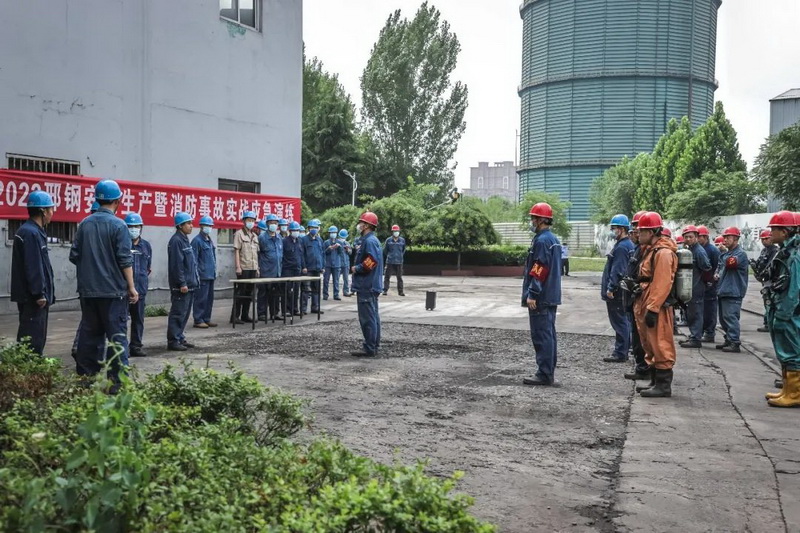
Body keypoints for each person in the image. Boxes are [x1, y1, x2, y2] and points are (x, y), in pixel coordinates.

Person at [69, 180, 138, 390]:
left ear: (97, 199)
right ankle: (116, 385)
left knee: (90, 338)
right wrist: (131, 287)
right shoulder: (119, 226)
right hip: (113, 293)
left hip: (88, 292)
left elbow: (74, 256)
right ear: (117, 201)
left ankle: (87, 381)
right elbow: (125, 260)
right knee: (117, 339)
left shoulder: (85, 224)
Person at [633, 212, 678, 398]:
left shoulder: (663, 253)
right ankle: (654, 380)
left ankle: (663, 385)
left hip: (656, 304)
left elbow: (662, 283)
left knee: (660, 342)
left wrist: (653, 308)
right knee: (649, 342)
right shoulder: (651, 250)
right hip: (646, 299)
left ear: (651, 232)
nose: (638, 234)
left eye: (642, 231)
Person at [521, 202, 562, 386]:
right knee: (548, 334)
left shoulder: (542, 241)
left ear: (541, 220)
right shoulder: (553, 239)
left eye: (534, 218)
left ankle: (544, 374)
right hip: (551, 295)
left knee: (541, 335)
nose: (532, 221)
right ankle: (548, 371)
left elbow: (539, 268)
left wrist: (533, 293)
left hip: (542, 297)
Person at [11, 190, 55, 355]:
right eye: (50, 209)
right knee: (32, 338)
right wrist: (39, 293)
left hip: (34, 297)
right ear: (43, 211)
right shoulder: (30, 233)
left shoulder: (34, 231)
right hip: (33, 298)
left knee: (36, 336)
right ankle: (29, 366)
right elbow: (33, 265)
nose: (52, 213)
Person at [764, 211, 800, 407]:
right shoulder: (786, 252)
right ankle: (787, 390)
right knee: (785, 351)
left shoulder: (794, 256)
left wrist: (783, 316)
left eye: (774, 229)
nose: (771, 233)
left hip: (789, 313)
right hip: (782, 308)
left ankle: (794, 394)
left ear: (785, 232)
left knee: (792, 352)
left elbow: (794, 290)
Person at [622, 211, 652, 384]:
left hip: (643, 299)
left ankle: (646, 369)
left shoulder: (649, 251)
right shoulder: (638, 249)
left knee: (643, 338)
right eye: (634, 229)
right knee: (637, 336)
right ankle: (642, 367)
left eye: (638, 229)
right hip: (634, 299)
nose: (635, 232)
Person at [601, 215, 635, 363]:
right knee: (624, 320)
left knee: (619, 321)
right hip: (623, 290)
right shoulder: (628, 245)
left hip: (617, 291)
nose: (612, 231)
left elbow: (618, 270)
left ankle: (621, 352)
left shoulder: (621, 247)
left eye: (614, 228)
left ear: (621, 229)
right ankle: (625, 348)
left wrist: (611, 288)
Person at [351, 211, 384, 356]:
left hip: (367, 285)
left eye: (361, 222)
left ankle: (370, 348)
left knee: (367, 319)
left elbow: (371, 261)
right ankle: (373, 346)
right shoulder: (372, 240)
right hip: (371, 285)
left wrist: (357, 268)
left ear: (366, 225)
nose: (359, 225)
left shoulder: (369, 241)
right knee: (373, 317)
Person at [167, 212, 199, 351]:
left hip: (189, 284)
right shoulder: (176, 241)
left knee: (184, 313)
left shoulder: (184, 239)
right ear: (180, 225)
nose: (191, 226)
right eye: (188, 223)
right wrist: (182, 283)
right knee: (178, 313)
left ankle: (179, 337)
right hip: (181, 286)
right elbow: (177, 265)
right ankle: (173, 340)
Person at [714, 226, 749, 353]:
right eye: (724, 237)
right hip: (724, 290)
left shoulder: (740, 254)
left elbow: (730, 263)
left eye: (728, 237)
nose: (725, 240)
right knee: (724, 319)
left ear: (736, 238)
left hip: (733, 291)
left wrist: (723, 253)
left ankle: (734, 342)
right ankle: (729, 339)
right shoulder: (727, 254)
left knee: (731, 317)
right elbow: (721, 267)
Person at [679, 225, 712, 348]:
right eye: (686, 237)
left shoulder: (699, 251)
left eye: (691, 237)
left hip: (696, 287)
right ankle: (694, 336)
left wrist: (703, 283)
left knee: (696, 313)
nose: (688, 239)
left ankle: (696, 338)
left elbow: (707, 268)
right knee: (691, 313)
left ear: (696, 237)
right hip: (689, 287)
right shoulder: (690, 250)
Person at [124, 213, 152, 357]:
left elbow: (148, 267)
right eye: (131, 226)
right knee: (121, 321)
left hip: (140, 289)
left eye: (137, 226)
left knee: (138, 320)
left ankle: (136, 346)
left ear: (141, 227)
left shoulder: (146, 246)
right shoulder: (121, 244)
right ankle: (122, 349)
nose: (134, 229)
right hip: (123, 291)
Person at [231, 211, 260, 324]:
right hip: (244, 268)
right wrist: (238, 267)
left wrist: (257, 268)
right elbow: (237, 251)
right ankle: (235, 316)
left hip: (253, 267)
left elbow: (256, 254)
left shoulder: (254, 236)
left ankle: (245, 315)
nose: (251, 222)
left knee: (250, 293)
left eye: (253, 221)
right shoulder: (239, 234)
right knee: (240, 292)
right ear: (244, 221)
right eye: (249, 220)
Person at [192, 215, 217, 329]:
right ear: (201, 226)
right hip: (202, 275)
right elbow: (194, 260)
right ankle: (198, 319)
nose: (208, 228)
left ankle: (206, 318)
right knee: (200, 298)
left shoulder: (209, 240)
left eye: (210, 226)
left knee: (209, 299)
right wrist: (197, 274)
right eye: (206, 225)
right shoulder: (197, 241)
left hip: (210, 274)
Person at [752, 229, 779, 333]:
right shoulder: (764, 251)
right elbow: (760, 263)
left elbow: (771, 265)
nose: (764, 241)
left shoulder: (775, 251)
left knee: (770, 302)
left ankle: (769, 323)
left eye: (766, 238)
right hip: (765, 280)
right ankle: (768, 322)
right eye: (762, 239)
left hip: (772, 281)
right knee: (767, 301)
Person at [257, 214, 284, 321]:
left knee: (276, 294)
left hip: (277, 271)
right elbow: (258, 254)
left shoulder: (279, 238)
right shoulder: (262, 238)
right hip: (265, 271)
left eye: (275, 223)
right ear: (267, 224)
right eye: (271, 223)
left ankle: (275, 313)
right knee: (263, 293)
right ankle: (262, 314)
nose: (273, 225)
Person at [697, 225, 720, 343]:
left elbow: (717, 267)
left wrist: (712, 281)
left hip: (710, 285)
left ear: (705, 237)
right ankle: (701, 332)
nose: (697, 239)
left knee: (709, 310)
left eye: (699, 236)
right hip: (702, 284)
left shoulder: (712, 250)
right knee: (701, 311)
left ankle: (710, 333)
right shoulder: (699, 249)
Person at [281, 221, 306, 316]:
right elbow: (282, 255)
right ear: (290, 231)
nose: (296, 232)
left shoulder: (300, 241)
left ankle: (294, 309)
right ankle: (286, 310)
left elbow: (301, 255)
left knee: (296, 290)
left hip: (297, 269)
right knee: (287, 290)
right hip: (287, 269)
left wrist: (304, 266)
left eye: (297, 230)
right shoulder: (284, 241)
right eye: (294, 230)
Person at [301, 218, 325, 314]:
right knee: (306, 289)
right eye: (312, 227)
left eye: (315, 227)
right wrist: (304, 266)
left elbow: (322, 254)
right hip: (308, 269)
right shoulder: (304, 240)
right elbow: (302, 254)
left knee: (316, 289)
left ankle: (315, 307)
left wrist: (322, 266)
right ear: (308, 228)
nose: (314, 229)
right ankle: (303, 309)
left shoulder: (319, 240)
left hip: (317, 268)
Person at [383, 225, 406, 296]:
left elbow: (403, 250)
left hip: (399, 261)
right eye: (395, 231)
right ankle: (385, 290)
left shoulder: (402, 240)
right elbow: (385, 251)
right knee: (387, 277)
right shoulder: (388, 240)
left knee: (399, 278)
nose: (396, 232)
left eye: (397, 231)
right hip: (390, 261)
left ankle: (400, 292)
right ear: (392, 232)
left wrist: (400, 256)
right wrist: (390, 256)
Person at [323, 225, 344, 300]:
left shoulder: (339, 242)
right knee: (326, 280)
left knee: (336, 281)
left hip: (336, 264)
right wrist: (329, 248)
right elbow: (324, 253)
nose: (333, 234)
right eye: (332, 232)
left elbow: (341, 253)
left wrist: (339, 247)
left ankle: (336, 294)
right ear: (329, 233)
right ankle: (325, 294)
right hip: (328, 264)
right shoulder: (326, 242)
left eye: (334, 232)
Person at [339, 229, 353, 297]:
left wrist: (348, 249)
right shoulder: (337, 243)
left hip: (346, 263)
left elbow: (350, 253)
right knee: (336, 278)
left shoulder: (347, 243)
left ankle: (346, 291)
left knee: (346, 279)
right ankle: (336, 293)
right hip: (338, 263)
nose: (343, 239)